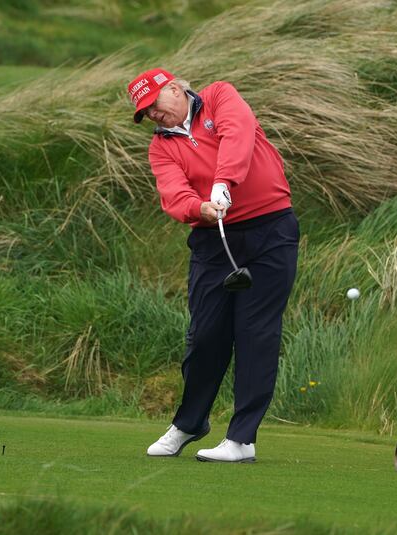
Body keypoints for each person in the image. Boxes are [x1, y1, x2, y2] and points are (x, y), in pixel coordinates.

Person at [127, 68, 299, 463]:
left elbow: (238, 136)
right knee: (205, 335)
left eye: (153, 105)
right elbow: (173, 193)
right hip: (214, 237)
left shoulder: (220, 96)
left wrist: (224, 182)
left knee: (256, 334)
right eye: (144, 113)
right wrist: (199, 208)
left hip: (271, 228)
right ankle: (190, 423)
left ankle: (241, 439)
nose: (152, 115)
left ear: (174, 89)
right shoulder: (161, 147)